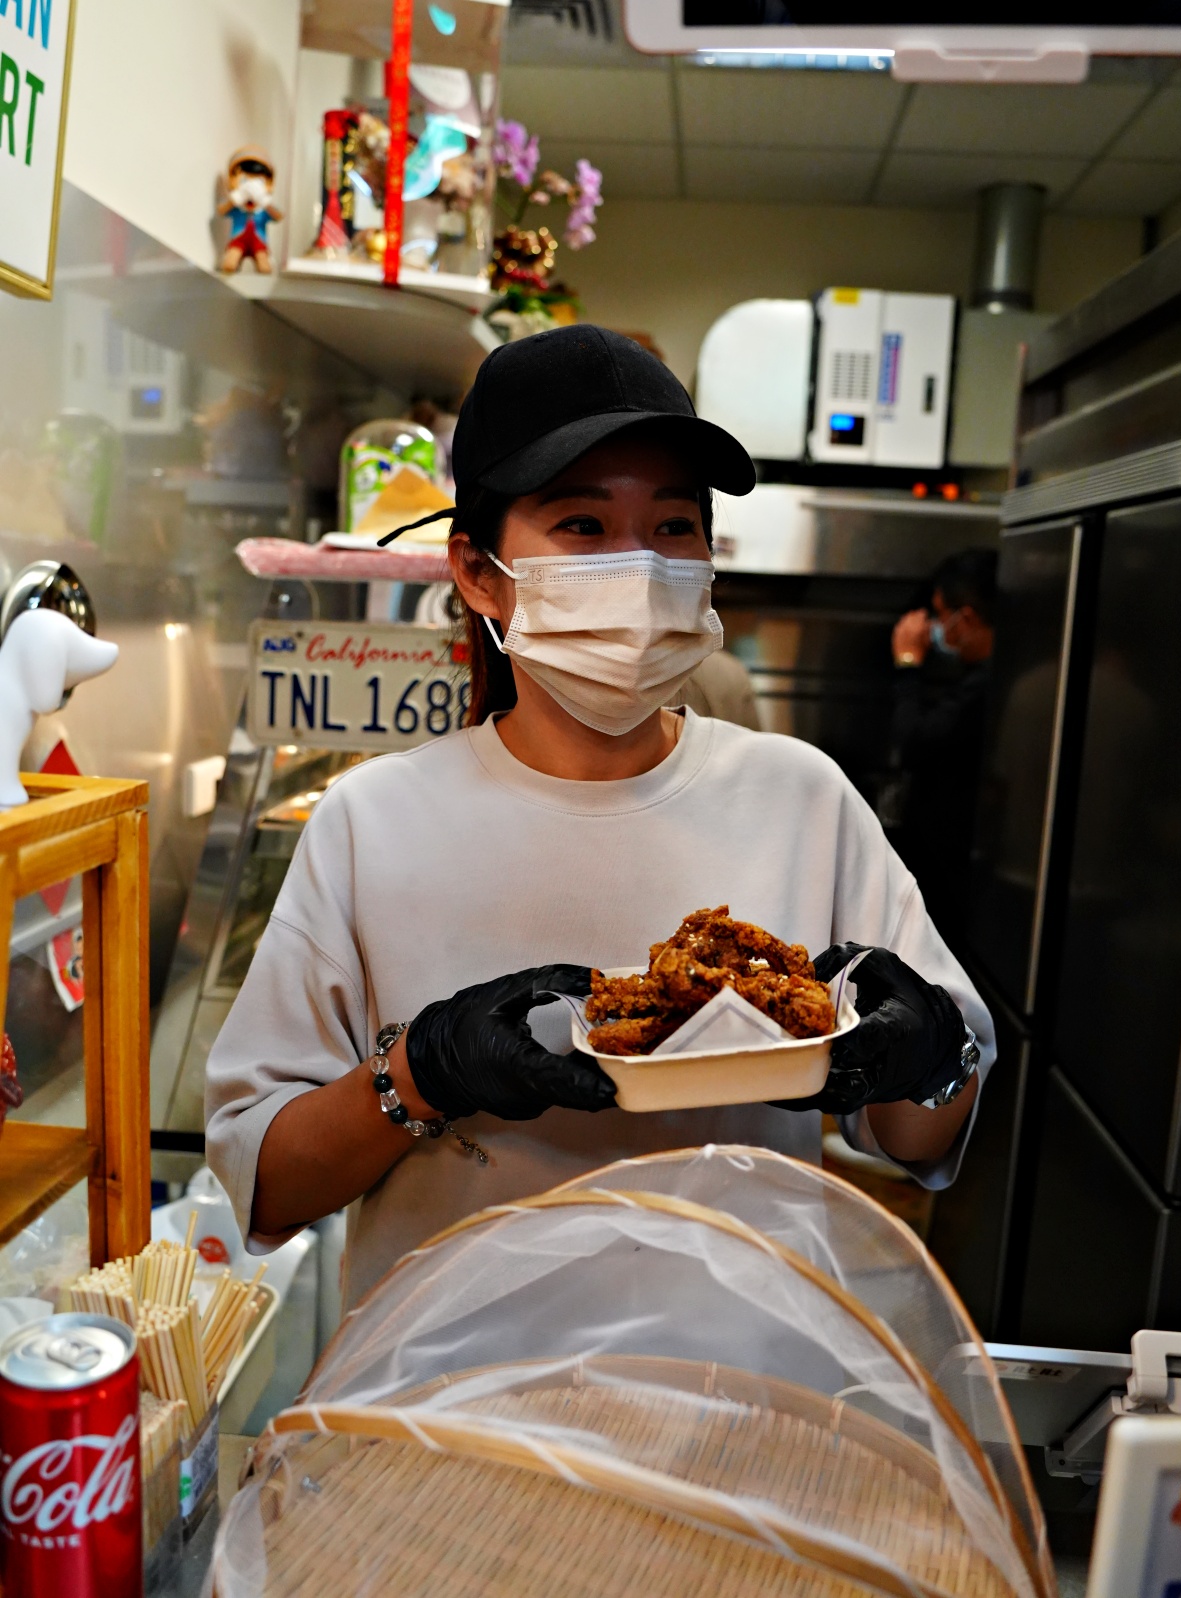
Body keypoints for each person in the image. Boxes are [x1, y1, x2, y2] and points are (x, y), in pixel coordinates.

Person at [205, 327, 992, 1309]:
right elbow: (266, 1180)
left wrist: (923, 1054)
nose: (640, 568)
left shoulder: (803, 801)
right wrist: (426, 1068)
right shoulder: (376, 822)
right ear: (480, 572)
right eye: (581, 524)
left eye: (673, 527)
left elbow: (926, 1138)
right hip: (445, 1401)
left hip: (735, 1380)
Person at [885, 548, 998, 952]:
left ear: (964, 619)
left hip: (957, 868)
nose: (934, 627)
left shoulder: (985, 685)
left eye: (938, 614)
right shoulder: (983, 676)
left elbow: (915, 741)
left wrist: (908, 663)